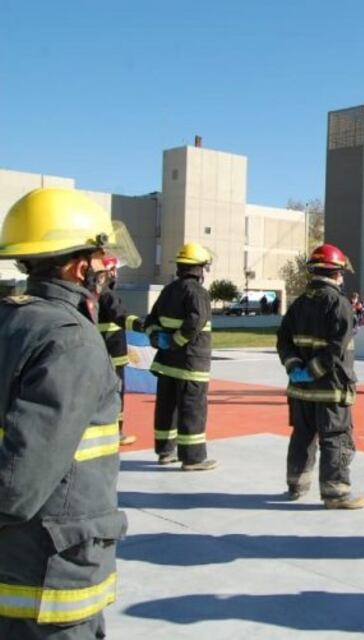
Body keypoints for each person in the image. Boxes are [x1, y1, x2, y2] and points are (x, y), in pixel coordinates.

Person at [0, 187, 141, 638]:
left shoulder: (11, 319)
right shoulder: (70, 340)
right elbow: (19, 484)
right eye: (101, 259)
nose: (105, 270)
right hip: (48, 577)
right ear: (81, 266)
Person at [276, 244, 364, 509]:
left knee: (302, 436)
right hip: (331, 389)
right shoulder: (340, 304)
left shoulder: (299, 304)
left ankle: (296, 485)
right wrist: (315, 371)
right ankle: (335, 494)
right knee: (336, 439)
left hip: (301, 390)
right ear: (336, 273)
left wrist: (295, 368)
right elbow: (336, 350)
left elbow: (283, 341)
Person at [145, 242, 218, 471]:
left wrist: (159, 339)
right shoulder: (198, 293)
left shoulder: (168, 291)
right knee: (192, 409)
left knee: (166, 407)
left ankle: (165, 452)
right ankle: (193, 458)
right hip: (190, 362)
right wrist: (177, 342)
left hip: (167, 363)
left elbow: (151, 320)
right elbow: (195, 323)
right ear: (199, 268)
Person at [95, 256, 144, 447]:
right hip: (114, 354)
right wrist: (142, 325)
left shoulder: (91, 294)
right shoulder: (109, 295)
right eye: (114, 270)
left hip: (99, 353)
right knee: (116, 395)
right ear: (109, 273)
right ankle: (117, 433)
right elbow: (121, 317)